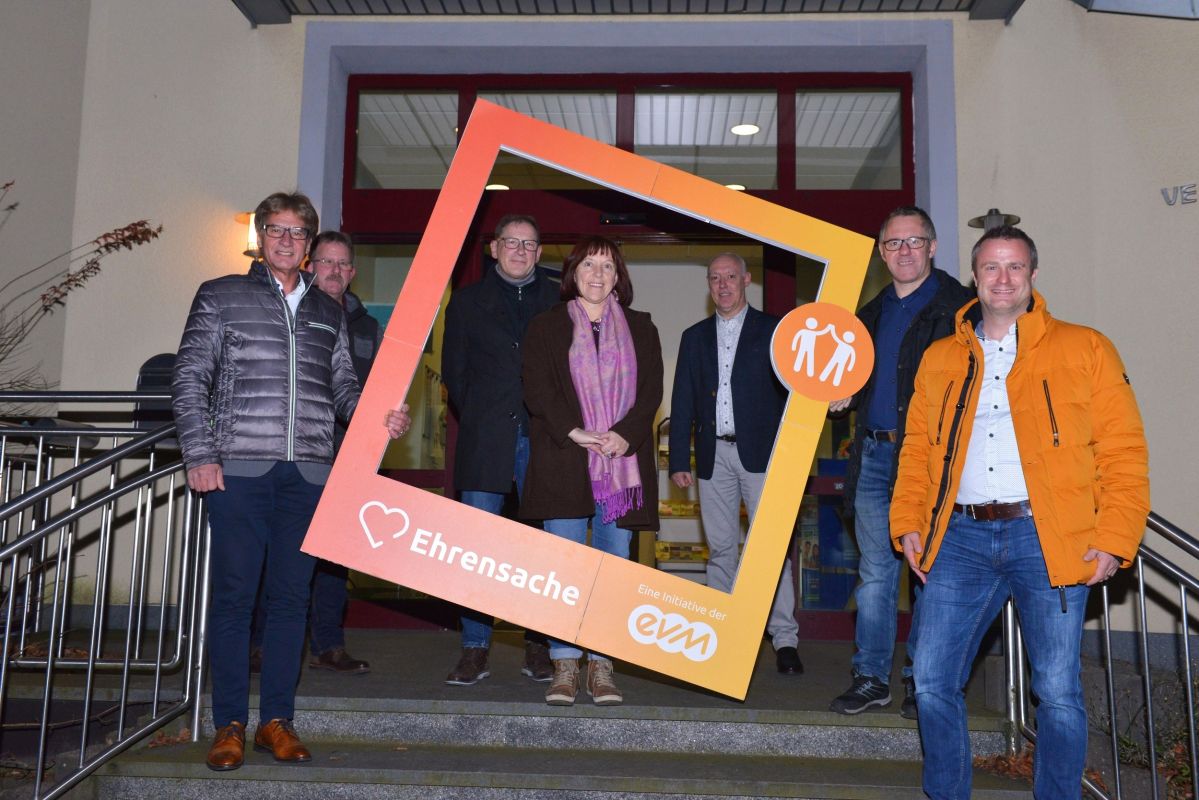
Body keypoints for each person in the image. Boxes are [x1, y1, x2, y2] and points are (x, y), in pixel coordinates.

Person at [891, 226, 1149, 799]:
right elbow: (916, 450)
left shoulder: (1086, 348)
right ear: (974, 277)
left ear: (1033, 275)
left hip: (1047, 537)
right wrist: (907, 521)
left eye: (1014, 267)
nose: (1002, 279)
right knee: (931, 680)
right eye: (991, 267)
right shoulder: (941, 357)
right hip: (959, 538)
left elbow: (1123, 451)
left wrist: (1115, 536)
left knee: (1057, 691)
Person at [172, 192, 410, 772]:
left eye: (298, 232)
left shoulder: (329, 310)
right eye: (276, 230)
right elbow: (189, 376)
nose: (286, 240)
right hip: (238, 470)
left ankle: (276, 721)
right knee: (234, 600)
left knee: (290, 601)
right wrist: (199, 453)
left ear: (308, 244)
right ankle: (229, 723)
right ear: (260, 237)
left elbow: (343, 389)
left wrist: (380, 417)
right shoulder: (220, 295)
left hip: (308, 474)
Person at [828, 206, 973, 718]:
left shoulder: (961, 310)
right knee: (875, 575)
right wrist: (844, 393)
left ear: (932, 246)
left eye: (914, 241)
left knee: (928, 570)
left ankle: (920, 678)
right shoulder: (868, 315)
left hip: (929, 460)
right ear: (881, 253)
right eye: (893, 243)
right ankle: (871, 677)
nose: (904, 251)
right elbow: (855, 378)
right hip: (872, 453)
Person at [520, 235, 663, 707]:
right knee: (564, 569)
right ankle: (564, 664)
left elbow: (651, 391)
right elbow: (538, 390)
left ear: (618, 276)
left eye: (607, 266)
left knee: (612, 568)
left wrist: (626, 434)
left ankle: (601, 665)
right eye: (588, 265)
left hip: (621, 464)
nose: (597, 274)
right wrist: (575, 431)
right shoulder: (546, 326)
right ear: (573, 273)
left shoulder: (642, 327)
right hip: (564, 458)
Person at [249, 231, 382, 675]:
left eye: (343, 264)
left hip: (348, 456)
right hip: (297, 449)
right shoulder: (290, 313)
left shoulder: (367, 327)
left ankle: (329, 645)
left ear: (353, 272)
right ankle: (263, 644)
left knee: (335, 556)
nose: (335, 271)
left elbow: (374, 391)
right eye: (326, 262)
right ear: (310, 266)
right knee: (279, 548)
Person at [667, 253, 801, 675]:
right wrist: (679, 458)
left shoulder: (775, 331)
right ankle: (721, 631)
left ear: (746, 280)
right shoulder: (693, 337)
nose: (722, 285)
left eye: (730, 276)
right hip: (713, 457)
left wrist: (793, 454)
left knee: (771, 548)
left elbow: (795, 395)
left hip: (763, 456)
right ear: (709, 285)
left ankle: (784, 638)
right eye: (715, 278)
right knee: (721, 547)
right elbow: (682, 399)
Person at [440, 214, 560, 686]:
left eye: (529, 245)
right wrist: (485, 417)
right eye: (511, 242)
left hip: (544, 439)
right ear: (494, 249)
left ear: (540, 253)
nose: (520, 251)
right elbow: (456, 373)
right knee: (476, 549)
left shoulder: (560, 299)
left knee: (543, 549)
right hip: (486, 438)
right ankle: (475, 647)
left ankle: (539, 644)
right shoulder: (467, 301)